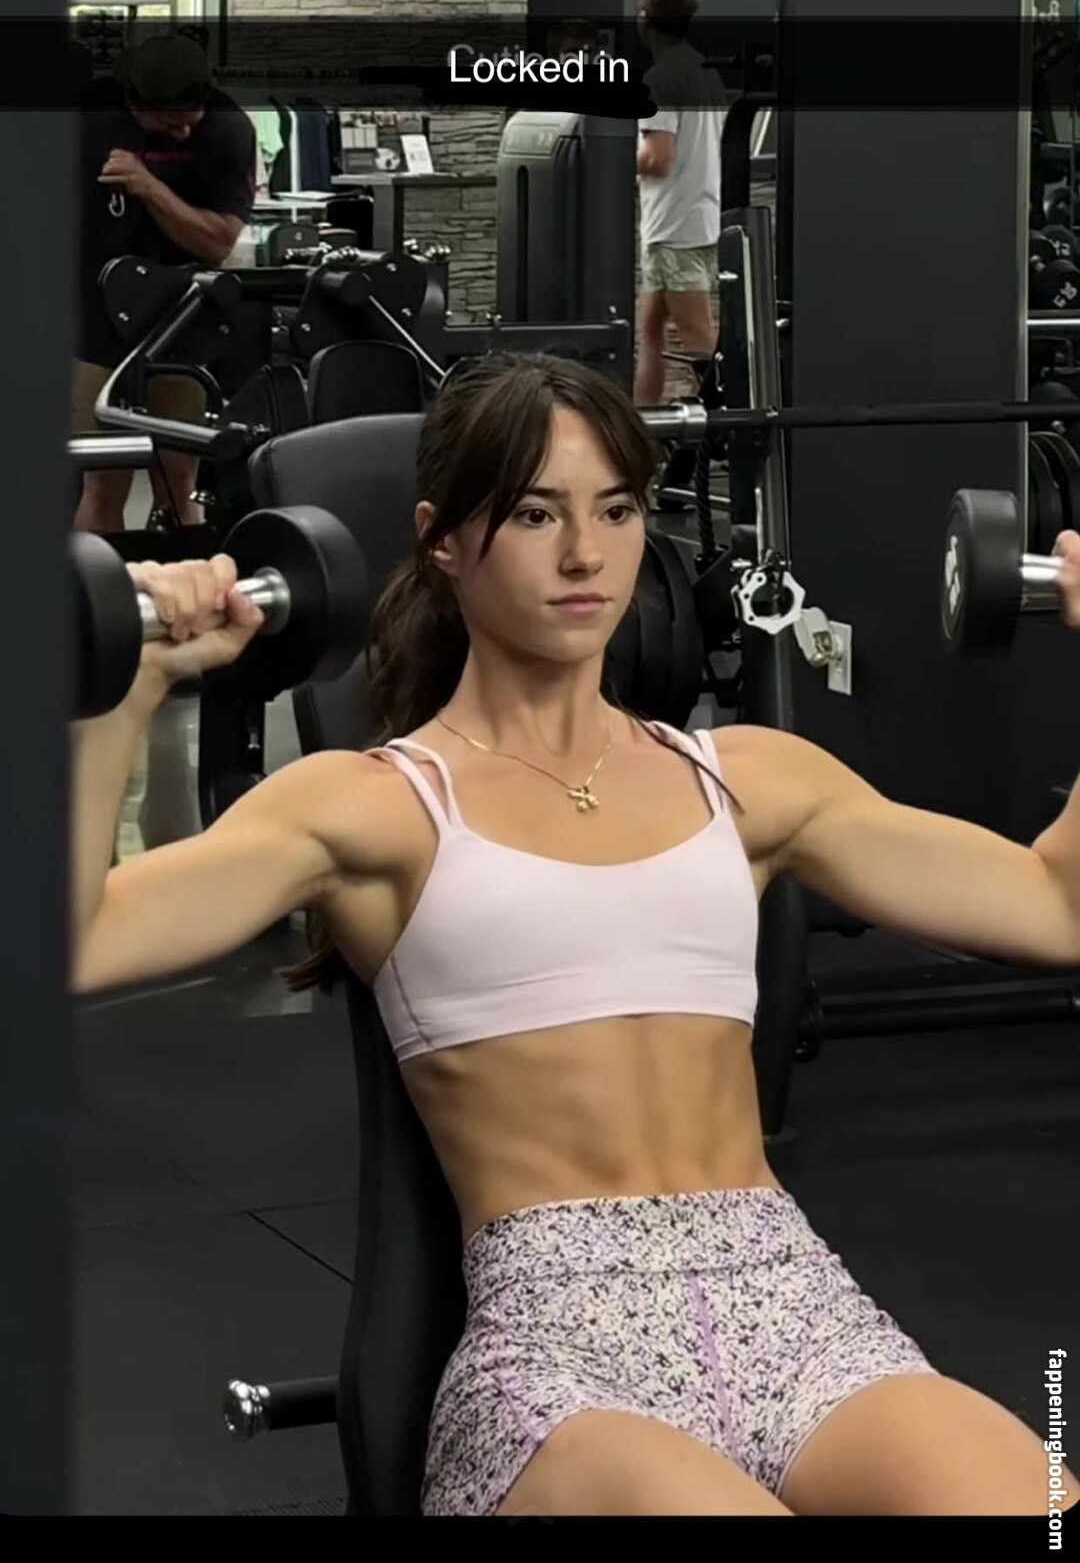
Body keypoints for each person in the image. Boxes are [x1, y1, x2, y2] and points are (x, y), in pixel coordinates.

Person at [72, 353, 1080, 1519]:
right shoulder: (374, 807)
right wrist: (125, 690)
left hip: (797, 1309)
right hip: (564, 1360)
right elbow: (77, 943)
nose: (585, 555)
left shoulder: (751, 782)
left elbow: (1055, 906)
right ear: (442, 541)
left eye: (617, 510)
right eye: (535, 515)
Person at [74, 34, 258, 533]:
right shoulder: (87, 116)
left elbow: (217, 242)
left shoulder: (228, 127)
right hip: (95, 323)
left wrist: (147, 186)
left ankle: (187, 577)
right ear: (134, 104)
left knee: (179, 482)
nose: (183, 133)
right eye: (168, 123)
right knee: (103, 482)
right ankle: (95, 581)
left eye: (190, 120)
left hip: (183, 322)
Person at [633, 0, 726, 406]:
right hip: (695, 218)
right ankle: (642, 426)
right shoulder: (704, 71)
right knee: (649, 332)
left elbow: (659, 157)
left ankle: (728, 427)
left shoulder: (660, 80)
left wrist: (609, 158)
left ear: (644, 22)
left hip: (674, 227)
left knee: (698, 338)